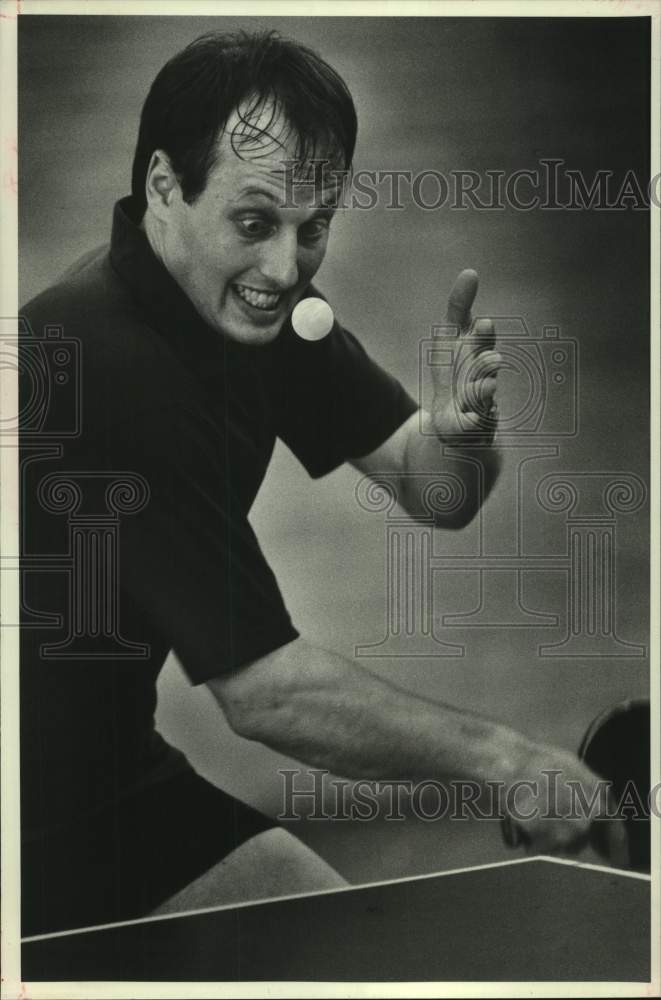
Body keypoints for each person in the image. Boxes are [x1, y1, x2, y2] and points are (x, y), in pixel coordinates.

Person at [19, 30, 612, 937]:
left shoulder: (261, 313)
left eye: (315, 225)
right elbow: (266, 694)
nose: (287, 267)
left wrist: (464, 438)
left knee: (348, 960)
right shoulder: (101, 368)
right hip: (21, 817)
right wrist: (506, 759)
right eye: (255, 223)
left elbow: (436, 493)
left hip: (102, 780)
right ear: (164, 189)